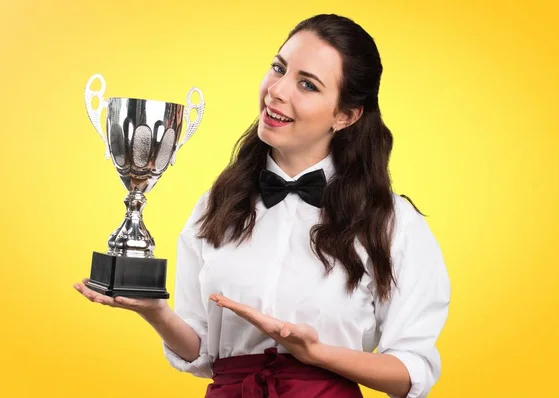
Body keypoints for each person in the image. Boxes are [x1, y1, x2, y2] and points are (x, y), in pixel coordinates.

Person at [74, 13, 450, 398]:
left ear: (346, 115)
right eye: (278, 68)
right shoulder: (216, 205)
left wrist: (317, 353)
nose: (277, 90)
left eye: (307, 84)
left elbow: (410, 370)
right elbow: (202, 351)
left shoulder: (393, 224)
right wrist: (154, 311)